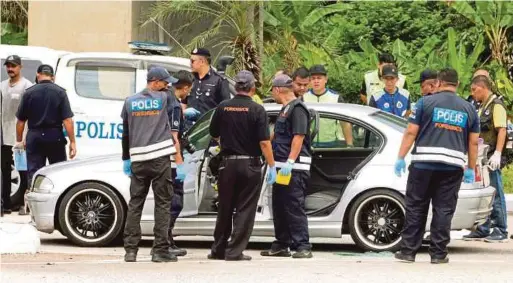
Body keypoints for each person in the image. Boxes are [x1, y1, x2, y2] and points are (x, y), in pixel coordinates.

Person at [394, 68, 480, 264]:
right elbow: (473, 142)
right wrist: (470, 168)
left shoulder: (425, 103)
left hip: (423, 164)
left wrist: (400, 157)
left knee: (416, 206)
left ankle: (408, 252)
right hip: (452, 166)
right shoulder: (469, 109)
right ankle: (438, 254)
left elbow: (410, 132)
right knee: (443, 209)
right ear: (457, 85)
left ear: (438, 83)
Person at [208, 70, 276, 261]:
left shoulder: (223, 107)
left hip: (227, 165)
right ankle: (234, 251)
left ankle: (218, 249)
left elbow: (214, 133)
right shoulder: (257, 109)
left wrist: (227, 142)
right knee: (245, 209)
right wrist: (272, 165)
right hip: (250, 165)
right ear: (252, 88)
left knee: (225, 208)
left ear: (236, 87)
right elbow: (264, 142)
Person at [121, 66, 179, 263]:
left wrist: (125, 158)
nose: (167, 85)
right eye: (164, 82)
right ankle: (160, 250)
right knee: (163, 203)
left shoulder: (129, 101)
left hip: (137, 159)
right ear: (155, 82)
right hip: (160, 158)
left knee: (135, 203)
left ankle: (130, 251)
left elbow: (126, 133)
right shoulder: (164, 98)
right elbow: (177, 106)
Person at [260, 74, 313, 259]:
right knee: (280, 206)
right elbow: (277, 136)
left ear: (277, 90)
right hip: (282, 166)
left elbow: (299, 137)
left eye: (272, 91)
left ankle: (303, 246)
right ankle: (281, 244)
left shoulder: (297, 108)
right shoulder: (285, 109)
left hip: (294, 167)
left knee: (293, 206)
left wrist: (290, 162)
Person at [15, 64, 76, 191]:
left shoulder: (29, 93)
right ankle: (57, 202)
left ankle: (34, 201)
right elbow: (67, 120)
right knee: (58, 171)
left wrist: (20, 140)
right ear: (52, 77)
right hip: (55, 136)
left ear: (38, 75)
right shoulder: (60, 92)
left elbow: (21, 121)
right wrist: (73, 142)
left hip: (35, 137)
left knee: (35, 173)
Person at [462, 75, 509, 242]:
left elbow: (502, 130)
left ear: (482, 87)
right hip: (482, 158)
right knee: (484, 195)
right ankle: (483, 227)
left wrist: (497, 153)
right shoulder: (483, 105)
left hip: (491, 158)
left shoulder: (497, 105)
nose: (473, 94)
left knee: (495, 192)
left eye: (474, 90)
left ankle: (501, 229)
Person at [1, 55, 33, 215]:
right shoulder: (2, 86)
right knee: (5, 170)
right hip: (5, 137)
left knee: (23, 170)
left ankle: (23, 204)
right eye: (8, 66)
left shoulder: (27, 86)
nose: (10, 69)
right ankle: (5, 204)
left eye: (13, 66)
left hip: (22, 138)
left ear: (20, 67)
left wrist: (26, 137)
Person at [168, 70, 194, 256]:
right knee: (174, 202)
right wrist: (179, 162)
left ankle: (166, 239)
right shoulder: (175, 105)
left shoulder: (166, 100)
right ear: (185, 87)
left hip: (162, 158)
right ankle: (166, 241)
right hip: (171, 160)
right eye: (189, 90)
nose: (189, 94)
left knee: (168, 202)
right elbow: (174, 136)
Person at [303, 65, 353, 147]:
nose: (316, 81)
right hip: (309, 143)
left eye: (319, 78)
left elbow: (345, 123)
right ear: (309, 80)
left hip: (331, 143)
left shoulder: (336, 97)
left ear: (326, 79)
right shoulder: (304, 98)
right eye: (313, 78)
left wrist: (350, 145)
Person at [183, 48, 230, 124]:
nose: (190, 64)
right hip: (188, 129)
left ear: (202, 62)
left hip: (206, 130)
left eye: (192, 61)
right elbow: (183, 102)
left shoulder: (219, 80)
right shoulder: (189, 78)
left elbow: (226, 108)